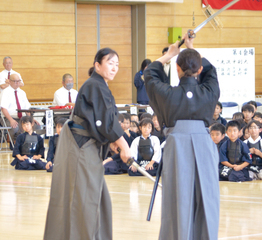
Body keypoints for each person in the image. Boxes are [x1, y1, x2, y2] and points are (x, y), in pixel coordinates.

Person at [44, 48, 131, 240]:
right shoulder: (95, 85)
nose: (115, 67)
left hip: (86, 145)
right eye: (110, 63)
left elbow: (99, 121)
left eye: (117, 64)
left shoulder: (99, 86)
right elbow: (106, 122)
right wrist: (123, 145)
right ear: (97, 65)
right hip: (81, 147)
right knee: (82, 199)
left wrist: (111, 142)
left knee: (97, 198)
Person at [144, 34, 220, 240]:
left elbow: (149, 74)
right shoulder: (209, 90)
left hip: (177, 146)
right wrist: (191, 47)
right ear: (199, 70)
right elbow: (211, 71)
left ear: (177, 70)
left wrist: (169, 55)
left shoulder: (167, 93)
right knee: (208, 198)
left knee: (178, 199)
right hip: (204, 145)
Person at [1, 73, 40, 142]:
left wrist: (32, 119)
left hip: (22, 118)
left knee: (37, 126)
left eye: (19, 81)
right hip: (9, 117)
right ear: (10, 81)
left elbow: (26, 109)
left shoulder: (22, 93)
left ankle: (30, 143)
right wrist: (11, 120)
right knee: (16, 127)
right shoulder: (5, 92)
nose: (17, 83)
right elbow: (3, 108)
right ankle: (14, 143)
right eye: (15, 81)